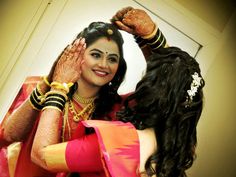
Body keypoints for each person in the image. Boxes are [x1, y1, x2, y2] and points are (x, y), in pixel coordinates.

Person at [0, 6, 168, 177]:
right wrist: (52, 82)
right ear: (77, 53)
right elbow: (8, 136)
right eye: (96, 55)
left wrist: (149, 36)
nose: (104, 64)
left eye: (112, 59)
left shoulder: (119, 109)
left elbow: (169, 86)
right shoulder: (36, 86)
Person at [31, 46, 205, 177]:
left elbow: (42, 156)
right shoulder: (176, 157)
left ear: (151, 90)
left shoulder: (120, 142)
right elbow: (176, 80)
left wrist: (58, 87)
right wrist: (148, 38)